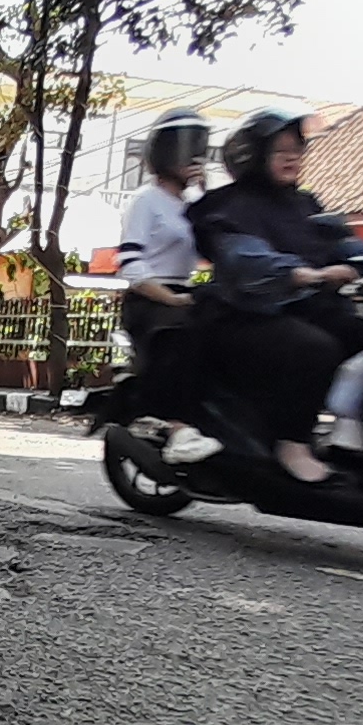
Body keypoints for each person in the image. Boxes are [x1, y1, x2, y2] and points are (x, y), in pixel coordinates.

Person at [187, 108, 363, 484]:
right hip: (243, 315)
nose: (292, 157)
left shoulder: (305, 205)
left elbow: (345, 246)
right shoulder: (226, 205)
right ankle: (292, 444)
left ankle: (353, 438)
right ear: (251, 155)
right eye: (281, 149)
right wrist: (302, 274)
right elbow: (244, 256)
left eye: (297, 149)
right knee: (315, 349)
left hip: (303, 308)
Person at [115, 108, 222, 465]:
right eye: (184, 146)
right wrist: (169, 299)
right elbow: (130, 263)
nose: (193, 155)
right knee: (183, 338)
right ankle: (177, 429)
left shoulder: (193, 205)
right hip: (151, 299)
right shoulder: (146, 200)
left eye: (199, 146)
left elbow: (217, 248)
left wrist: (206, 197)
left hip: (185, 292)